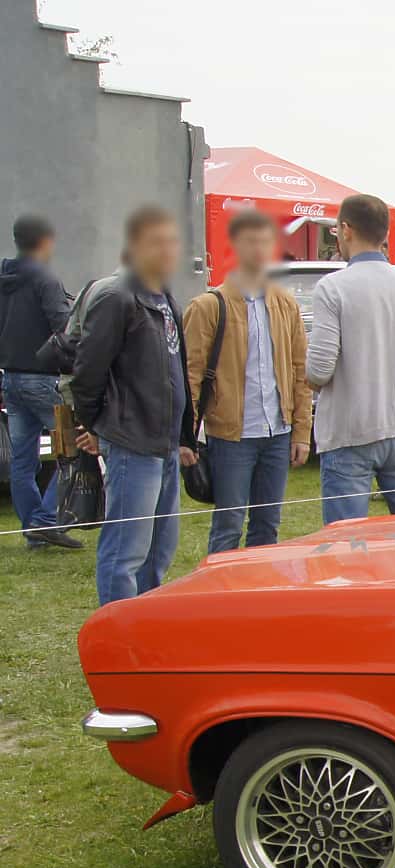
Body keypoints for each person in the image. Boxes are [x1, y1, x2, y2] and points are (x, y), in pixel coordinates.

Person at [70, 206, 194, 605]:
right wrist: (99, 426)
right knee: (126, 552)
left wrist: (185, 436)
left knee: (158, 553)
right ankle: (118, 640)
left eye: (172, 242)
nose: (168, 250)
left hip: (165, 445)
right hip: (132, 444)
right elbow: (87, 372)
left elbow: (177, 371)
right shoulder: (116, 296)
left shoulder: (164, 297)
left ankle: (147, 629)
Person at [306, 194, 395, 524]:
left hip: (348, 432)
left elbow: (319, 371)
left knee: (347, 544)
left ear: (345, 230)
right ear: (384, 234)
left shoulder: (333, 288)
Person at [182, 208, 311, 554]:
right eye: (251, 241)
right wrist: (186, 436)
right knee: (228, 524)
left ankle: (259, 595)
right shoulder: (208, 306)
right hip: (231, 435)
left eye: (265, 241)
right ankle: (219, 599)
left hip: (277, 432)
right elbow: (191, 376)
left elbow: (301, 372)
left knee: (267, 524)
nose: (259, 249)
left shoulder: (285, 304)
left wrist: (301, 432)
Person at [0, 213, 82, 549]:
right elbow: (63, 327)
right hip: (44, 379)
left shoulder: (4, 277)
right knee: (74, 450)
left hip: (11, 379)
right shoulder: (46, 280)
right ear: (45, 241)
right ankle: (46, 521)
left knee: (23, 460)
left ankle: (34, 529)